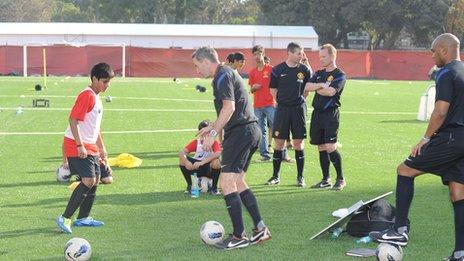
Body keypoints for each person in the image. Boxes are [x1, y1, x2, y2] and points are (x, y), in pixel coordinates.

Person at [369, 33, 464, 261]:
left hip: (451, 137)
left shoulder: (446, 73)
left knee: (404, 170)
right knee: (458, 191)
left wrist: (425, 138)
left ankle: (399, 231)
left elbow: (440, 110)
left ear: (444, 50)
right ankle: (460, 253)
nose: (431, 55)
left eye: (433, 51)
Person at [192, 46, 271, 250]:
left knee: (227, 183)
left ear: (206, 61)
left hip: (241, 133)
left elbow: (230, 107)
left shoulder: (222, 75)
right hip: (249, 130)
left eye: (197, 65)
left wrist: (213, 134)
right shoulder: (224, 74)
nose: (197, 70)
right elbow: (231, 110)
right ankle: (261, 228)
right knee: (238, 181)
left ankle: (239, 236)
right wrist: (212, 126)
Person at [56, 62, 114, 234]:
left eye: (109, 82)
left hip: (90, 145)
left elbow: (95, 128)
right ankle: (65, 217)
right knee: (88, 180)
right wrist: (80, 145)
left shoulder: (96, 97)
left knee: (95, 180)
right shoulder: (87, 95)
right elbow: (73, 120)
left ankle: (83, 218)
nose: (107, 85)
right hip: (77, 144)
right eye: (104, 81)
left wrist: (102, 149)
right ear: (94, 79)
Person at [266, 42, 312, 187]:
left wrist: (301, 100)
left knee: (298, 143)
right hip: (282, 110)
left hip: (298, 110)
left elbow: (308, 88)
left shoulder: (304, 70)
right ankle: (275, 176)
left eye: (302, 53)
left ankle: (300, 177)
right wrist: (281, 101)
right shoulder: (278, 70)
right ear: (290, 53)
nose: (301, 56)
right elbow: (273, 90)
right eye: (299, 53)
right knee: (279, 143)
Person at [305, 44, 347, 191]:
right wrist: (321, 85)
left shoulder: (340, 74)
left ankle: (340, 179)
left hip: (330, 113)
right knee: (321, 146)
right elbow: (306, 87)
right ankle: (325, 179)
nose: (321, 59)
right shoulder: (318, 73)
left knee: (330, 146)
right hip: (317, 113)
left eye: (324, 56)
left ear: (332, 56)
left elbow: (330, 92)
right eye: (320, 57)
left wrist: (318, 86)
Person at [248, 45, 276, 161]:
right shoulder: (252, 72)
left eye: (259, 54)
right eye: (255, 54)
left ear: (263, 55)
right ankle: (264, 155)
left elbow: (277, 85)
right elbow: (251, 90)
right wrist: (253, 87)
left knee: (278, 128)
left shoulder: (271, 69)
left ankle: (283, 154)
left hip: (270, 104)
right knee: (261, 131)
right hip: (258, 106)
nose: (257, 57)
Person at [179, 120, 221, 196]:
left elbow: (218, 154)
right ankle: (190, 186)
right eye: (204, 132)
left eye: (208, 132)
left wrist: (202, 162)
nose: (206, 134)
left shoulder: (214, 143)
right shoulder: (196, 142)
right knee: (182, 160)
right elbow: (182, 152)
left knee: (216, 162)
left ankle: (214, 188)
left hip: (208, 169)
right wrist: (186, 162)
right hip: (197, 168)